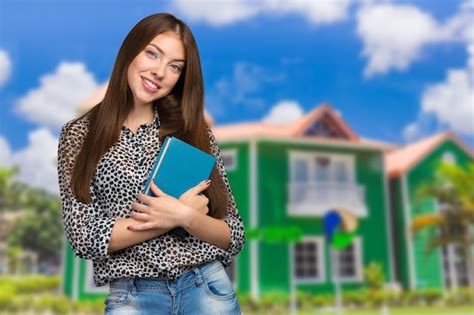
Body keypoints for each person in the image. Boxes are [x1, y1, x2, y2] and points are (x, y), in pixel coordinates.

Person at [56, 13, 245, 314]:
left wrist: (189, 218)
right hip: (132, 297)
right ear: (131, 51)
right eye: (152, 54)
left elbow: (234, 234)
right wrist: (171, 218)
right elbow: (83, 236)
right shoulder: (79, 134)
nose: (159, 72)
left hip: (207, 289)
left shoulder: (195, 132)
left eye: (175, 67)